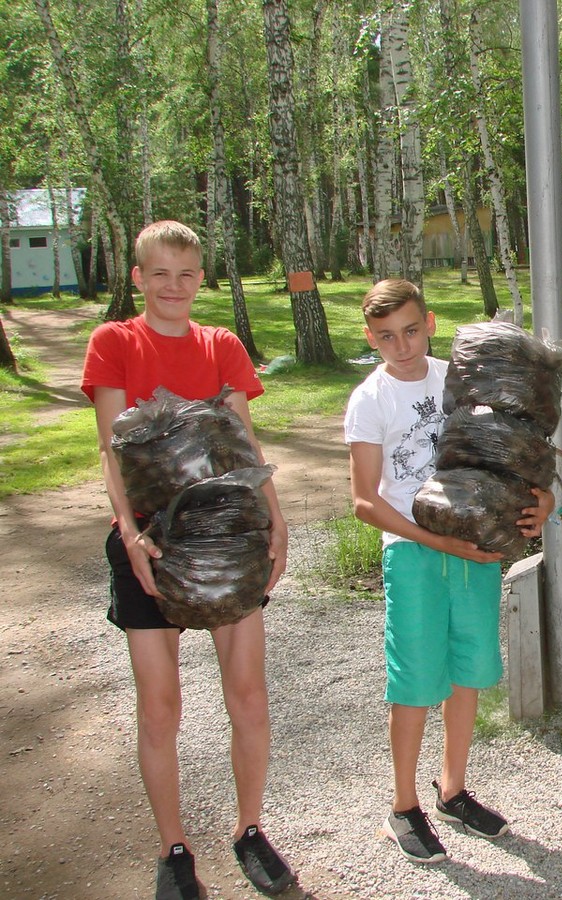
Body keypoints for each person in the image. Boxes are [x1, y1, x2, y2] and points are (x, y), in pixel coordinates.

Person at [81, 221, 295, 899]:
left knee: (250, 698)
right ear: (138, 278)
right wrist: (130, 532)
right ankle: (173, 847)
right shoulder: (114, 342)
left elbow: (244, 444)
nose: (174, 287)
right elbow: (114, 449)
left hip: (228, 541)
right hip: (150, 540)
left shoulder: (221, 345)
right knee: (160, 707)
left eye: (188, 274)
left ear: (201, 278)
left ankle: (251, 829)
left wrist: (276, 518)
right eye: (160, 274)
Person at [344, 279, 553, 864]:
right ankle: (403, 806)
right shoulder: (371, 399)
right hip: (413, 553)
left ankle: (453, 788)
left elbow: (514, 447)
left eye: (411, 331)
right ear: (371, 338)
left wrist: (543, 501)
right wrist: (437, 540)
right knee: (414, 680)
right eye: (386, 337)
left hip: (475, 548)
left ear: (430, 323)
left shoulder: (459, 380)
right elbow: (364, 500)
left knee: (469, 671)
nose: (402, 346)